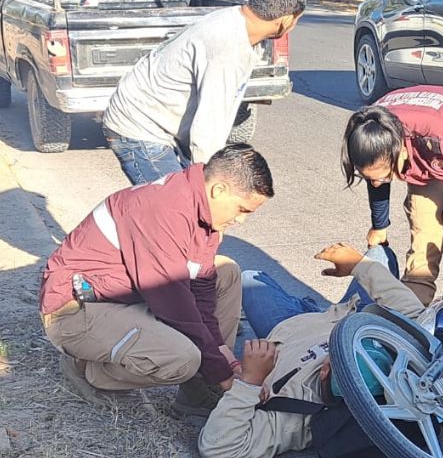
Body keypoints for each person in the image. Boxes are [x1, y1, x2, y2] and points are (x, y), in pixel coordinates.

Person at [39, 144, 275, 416]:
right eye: (242, 210)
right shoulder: (163, 211)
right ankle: (87, 368)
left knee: (226, 272)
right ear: (218, 190)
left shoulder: (201, 209)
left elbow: (201, 291)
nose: (241, 221)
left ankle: (199, 391)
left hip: (125, 295)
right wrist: (225, 376)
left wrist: (225, 358)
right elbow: (176, 308)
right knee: (182, 357)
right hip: (75, 310)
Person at [197, 242, 423, 458]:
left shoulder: (297, 416)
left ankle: (306, 305)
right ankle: (317, 304)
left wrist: (250, 383)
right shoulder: (384, 359)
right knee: (378, 254)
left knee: (250, 278)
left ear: (325, 371)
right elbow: (415, 315)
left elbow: (217, 447)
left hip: (287, 324)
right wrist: (358, 265)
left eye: (334, 354)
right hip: (347, 314)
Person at [102, 0, 309, 185]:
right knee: (178, 208)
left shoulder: (235, 21)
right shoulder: (229, 48)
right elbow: (209, 128)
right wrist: (210, 184)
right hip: (139, 125)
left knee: (188, 201)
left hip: (156, 119)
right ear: (286, 20)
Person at [341, 85, 443, 306]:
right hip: (427, 152)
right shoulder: (371, 129)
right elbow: (377, 178)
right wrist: (380, 227)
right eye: (370, 178)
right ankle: (410, 318)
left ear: (400, 150)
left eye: (384, 175)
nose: (376, 182)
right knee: (422, 244)